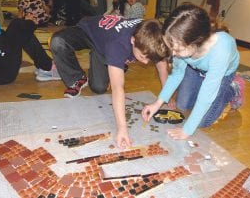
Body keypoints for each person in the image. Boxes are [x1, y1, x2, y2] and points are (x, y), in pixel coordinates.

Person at [50, 15, 170, 148]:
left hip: (105, 45)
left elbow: (162, 66)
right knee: (57, 41)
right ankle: (78, 77)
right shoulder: (118, 44)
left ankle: (109, 60)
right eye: (142, 57)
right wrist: (122, 128)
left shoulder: (153, 37)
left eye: (150, 59)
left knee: (98, 88)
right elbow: (118, 88)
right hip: (89, 30)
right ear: (132, 40)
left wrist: (166, 97)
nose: (146, 62)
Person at [142, 3, 245, 140]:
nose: (173, 53)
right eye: (171, 47)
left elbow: (207, 93)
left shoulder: (221, 49)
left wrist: (187, 130)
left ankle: (234, 88)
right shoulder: (181, 45)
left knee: (203, 122)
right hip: (195, 67)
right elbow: (176, 74)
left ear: (196, 42)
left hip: (224, 72)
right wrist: (157, 103)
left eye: (177, 49)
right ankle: (201, 83)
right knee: (182, 105)